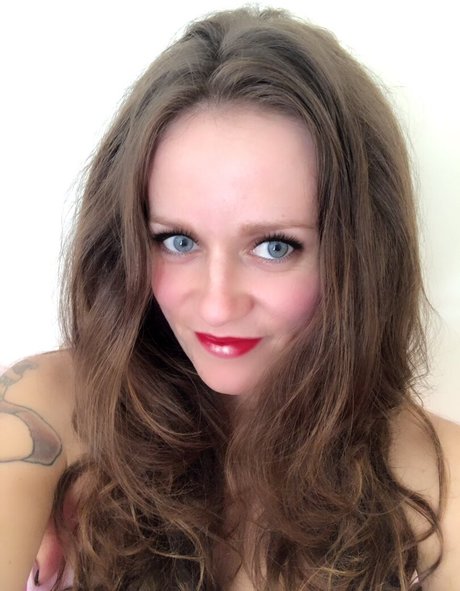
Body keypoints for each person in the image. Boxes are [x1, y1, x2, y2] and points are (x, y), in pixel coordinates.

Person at [1, 6, 459, 590]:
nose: (217, 306)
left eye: (274, 247)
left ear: (359, 256)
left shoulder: (442, 486)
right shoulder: (44, 411)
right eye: (178, 240)